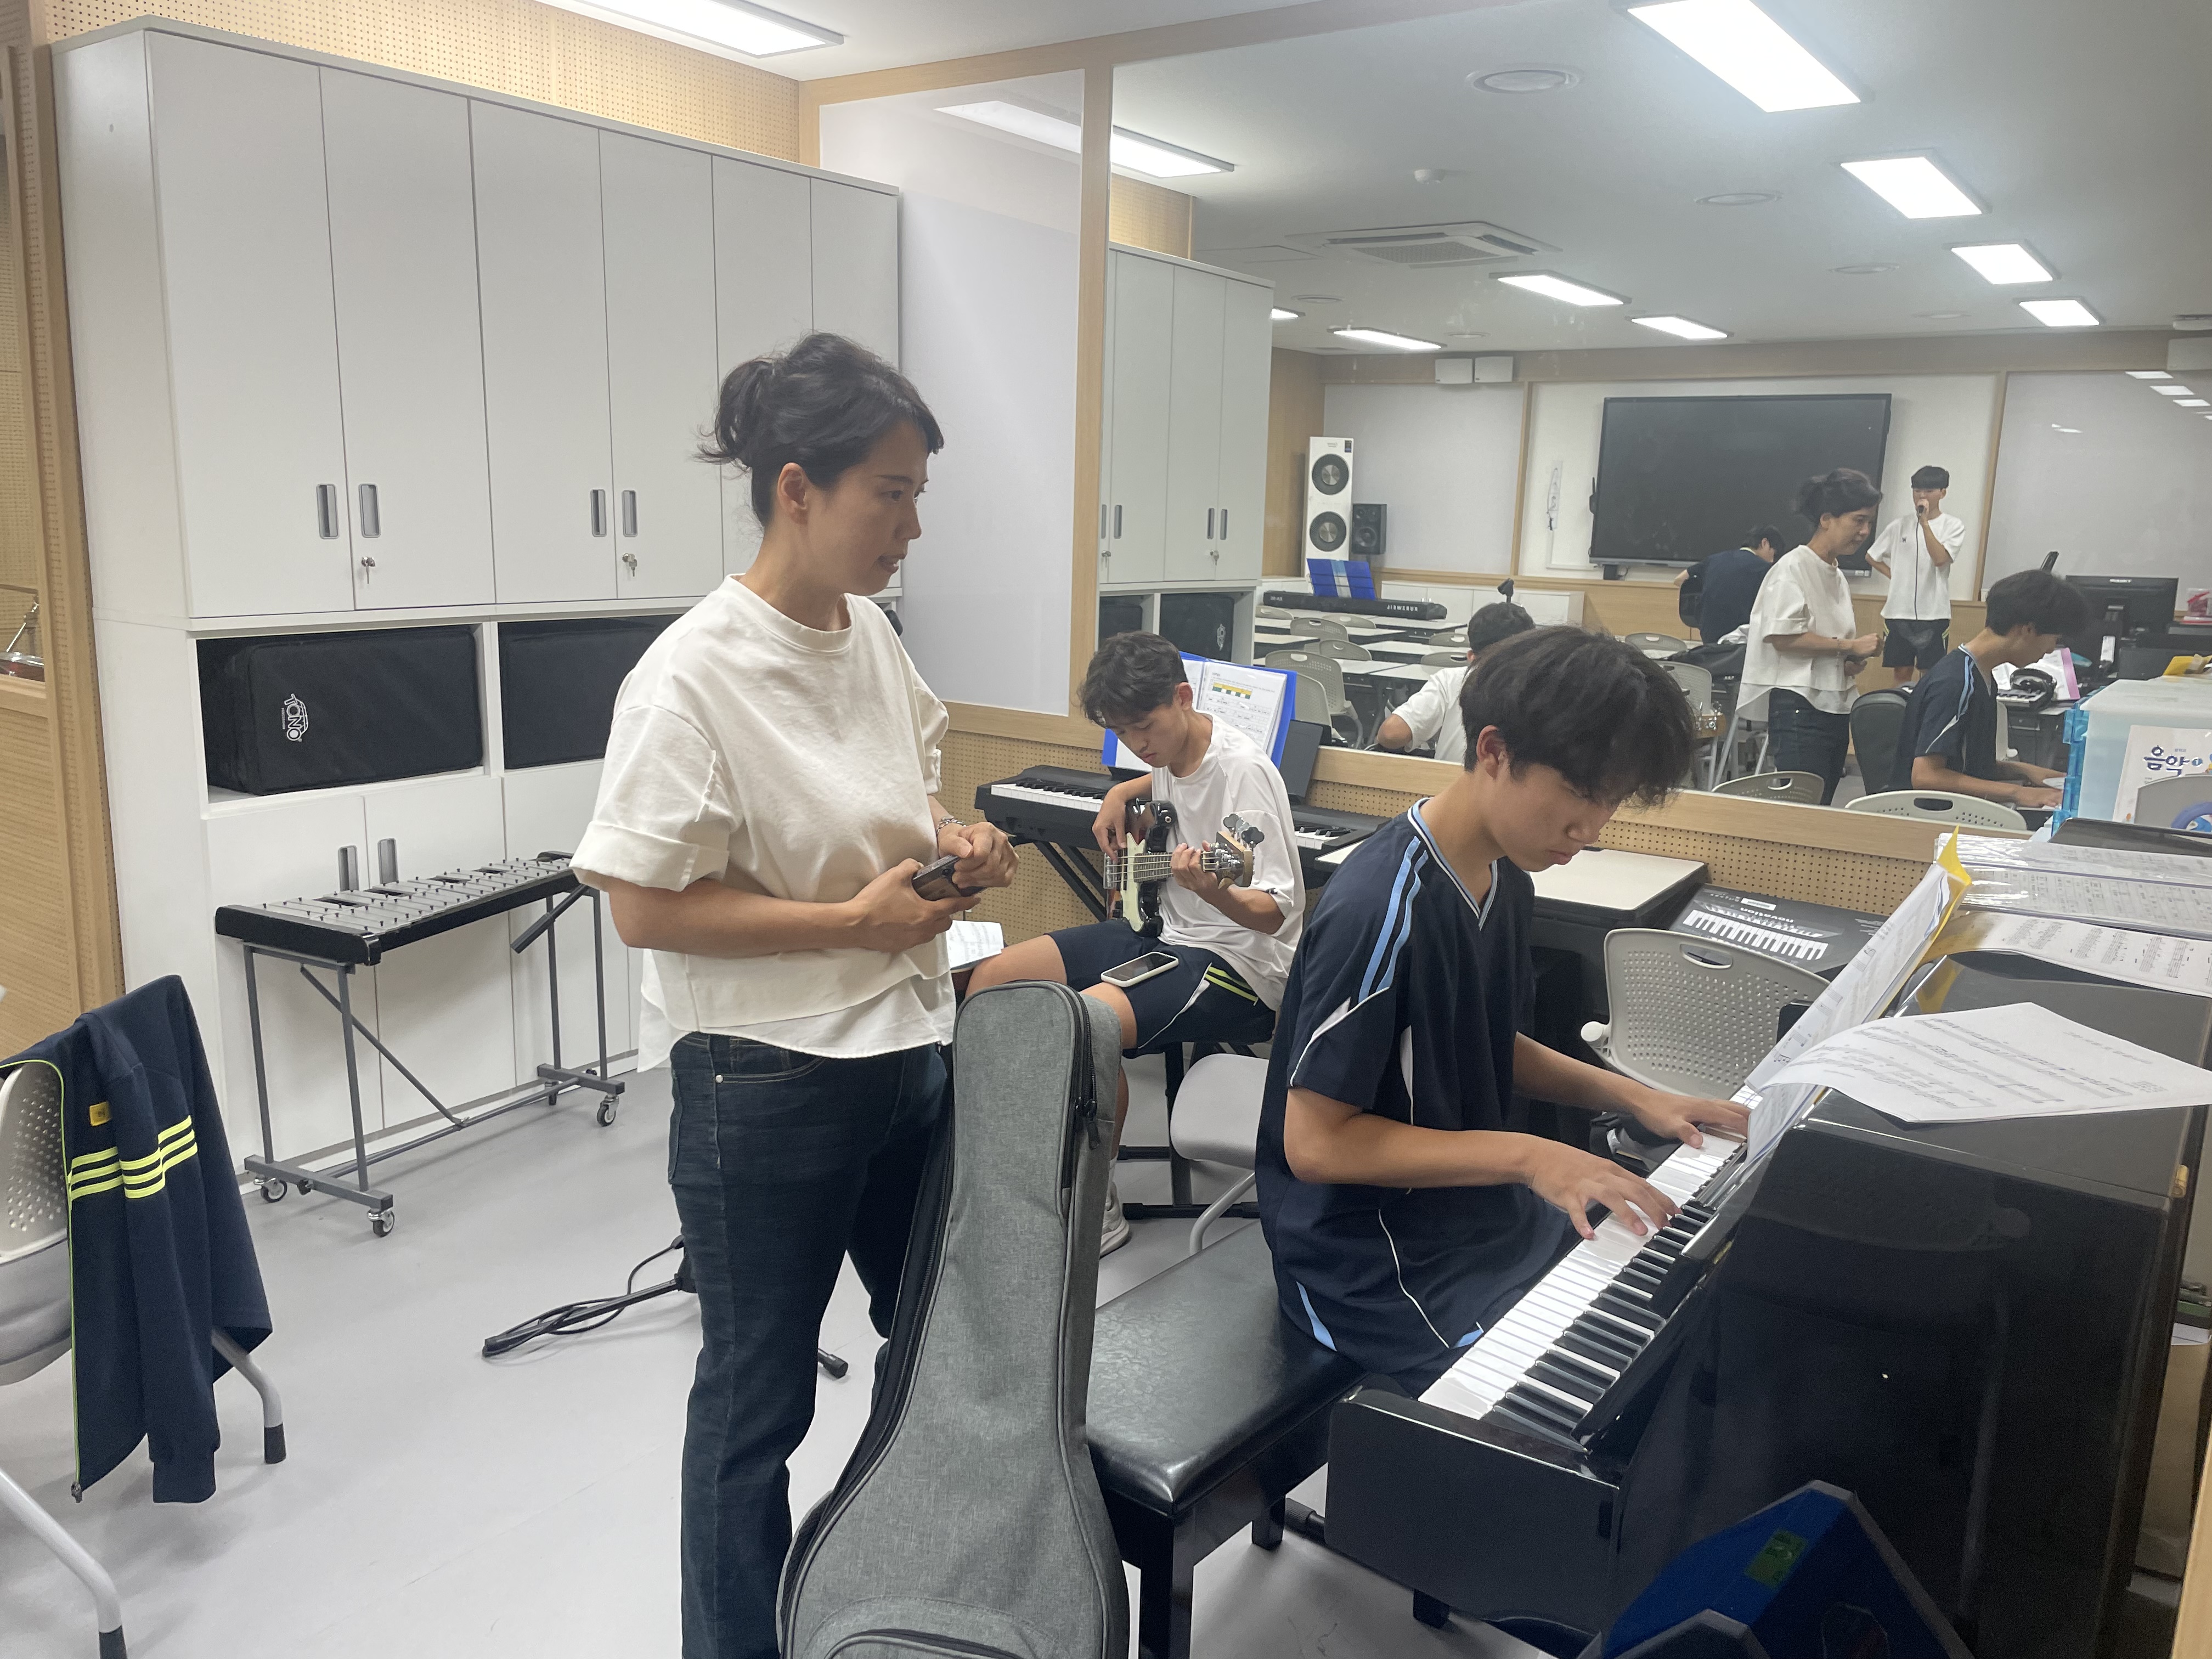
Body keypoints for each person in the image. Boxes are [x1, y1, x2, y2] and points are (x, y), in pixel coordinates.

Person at [571, 332, 1019, 1659]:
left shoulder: (868, 635)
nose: (913, 527)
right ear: (797, 490)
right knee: (757, 1405)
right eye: (892, 493)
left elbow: (900, 791)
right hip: (764, 1083)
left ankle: (896, 1596)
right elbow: (643, 904)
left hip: (908, 1051)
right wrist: (847, 922)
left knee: (941, 1357)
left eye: (919, 494)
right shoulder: (690, 677)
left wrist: (956, 841)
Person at [1255, 627, 1748, 1392]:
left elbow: (1485, 1041)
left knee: (1677, 1304)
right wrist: (1533, 1157)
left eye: (1611, 800)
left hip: (1475, 1215)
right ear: (1493, 751)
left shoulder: (1504, 878)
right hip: (1372, 1261)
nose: (1592, 830)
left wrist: (1638, 1096)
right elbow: (1315, 1146)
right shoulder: (1379, 908)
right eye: (1580, 794)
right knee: (1579, 1396)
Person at [968, 630, 1305, 1254]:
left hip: (1240, 963)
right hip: (1163, 929)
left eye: (1144, 727)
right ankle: (1015, 1164)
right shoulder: (1171, 754)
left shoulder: (1244, 775)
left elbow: (1275, 916)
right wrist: (1121, 791)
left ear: (1183, 697)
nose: (1138, 744)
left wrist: (1216, 893)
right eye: (1123, 733)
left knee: (1086, 1023)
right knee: (993, 982)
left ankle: (1095, 1199)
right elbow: (1164, 783)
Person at [1888, 569, 2092, 808]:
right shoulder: (1956, 682)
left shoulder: (1981, 674)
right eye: (2054, 639)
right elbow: (1927, 776)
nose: (2050, 650)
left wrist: (2027, 772)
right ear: (2027, 630)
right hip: (1931, 818)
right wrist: (2018, 793)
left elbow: (1971, 768)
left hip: (1961, 810)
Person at [1740, 469, 1882, 803]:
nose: (1864, 532)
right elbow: (1782, 637)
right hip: (1800, 707)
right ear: (1827, 519)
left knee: (1823, 804)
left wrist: (1846, 660)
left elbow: (1820, 643)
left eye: (1869, 523)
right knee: (1803, 809)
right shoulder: (1792, 567)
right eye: (1858, 520)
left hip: (1833, 705)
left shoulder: (1835, 573)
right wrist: (1849, 645)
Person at [1375, 600, 1535, 762]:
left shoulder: (1450, 680)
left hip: (1451, 777)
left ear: (1471, 657)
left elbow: (1390, 734)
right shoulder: (1541, 688)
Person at [1866, 464, 1967, 685]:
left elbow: (1940, 559)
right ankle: (1900, 706)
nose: (1922, 496)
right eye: (1917, 490)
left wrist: (1925, 525)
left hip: (1934, 613)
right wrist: (1894, 575)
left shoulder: (1953, 526)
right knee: (1901, 671)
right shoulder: (1898, 526)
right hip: (1898, 611)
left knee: (1930, 672)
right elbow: (1872, 556)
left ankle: (1925, 707)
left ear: (1943, 493)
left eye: (1929, 491)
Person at [1679, 526, 1787, 644]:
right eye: (1774, 554)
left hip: (1708, 639)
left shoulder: (1713, 559)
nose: (1772, 560)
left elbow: (1679, 580)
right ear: (1765, 543)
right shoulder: (1765, 569)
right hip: (1740, 643)